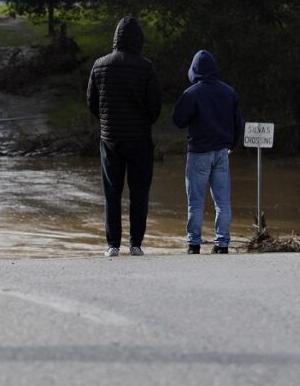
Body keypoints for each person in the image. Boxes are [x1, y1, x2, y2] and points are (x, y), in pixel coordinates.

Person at [87, 17, 162, 257]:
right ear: (138, 40)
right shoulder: (146, 67)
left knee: (112, 192)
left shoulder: (99, 66)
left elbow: (92, 102)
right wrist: (143, 121)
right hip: (140, 139)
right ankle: (136, 244)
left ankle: (112, 245)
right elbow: (155, 107)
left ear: (116, 38)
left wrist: (107, 122)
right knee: (139, 191)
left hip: (110, 139)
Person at [172, 50, 243, 254]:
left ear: (194, 70)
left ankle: (194, 244)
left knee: (195, 202)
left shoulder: (192, 93)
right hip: (221, 152)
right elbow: (238, 124)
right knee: (222, 201)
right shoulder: (229, 92)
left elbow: (178, 120)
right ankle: (222, 244)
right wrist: (232, 146)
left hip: (199, 153)